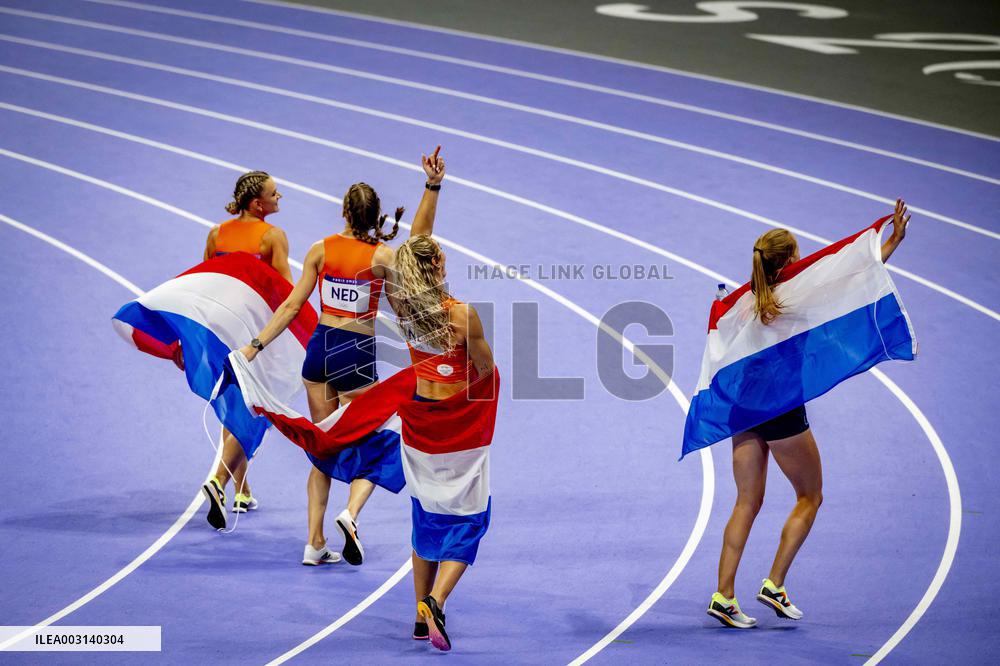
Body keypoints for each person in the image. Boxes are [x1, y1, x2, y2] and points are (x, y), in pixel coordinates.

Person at [708, 199, 910, 629]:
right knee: (810, 495)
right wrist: (890, 242)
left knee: (746, 501)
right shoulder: (797, 295)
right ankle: (775, 584)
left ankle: (723, 595)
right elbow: (852, 279)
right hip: (781, 409)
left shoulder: (743, 302)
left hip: (744, 408)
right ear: (790, 262)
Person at [238, 147, 445, 566]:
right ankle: (350, 513)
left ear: (345, 213)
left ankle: (314, 543)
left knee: (324, 447)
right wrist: (433, 339)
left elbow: (292, 306)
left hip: (319, 351)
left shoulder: (320, 249)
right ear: (376, 216)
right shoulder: (382, 257)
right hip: (355, 354)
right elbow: (405, 304)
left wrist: (253, 346)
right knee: (376, 441)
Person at [390, 234, 497, 651]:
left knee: (426, 516)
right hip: (458, 434)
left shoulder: (402, 308)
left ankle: (420, 618)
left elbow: (409, 250)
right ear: (436, 263)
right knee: (471, 519)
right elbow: (485, 371)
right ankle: (436, 600)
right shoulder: (462, 315)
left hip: (419, 430)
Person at [198, 171, 292, 530]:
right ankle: (218, 481)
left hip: (220, 330)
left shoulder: (216, 234)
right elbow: (285, 292)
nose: (279, 197)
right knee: (254, 410)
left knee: (234, 405)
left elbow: (203, 282)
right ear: (257, 203)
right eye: (274, 193)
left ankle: (242, 489)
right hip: (253, 337)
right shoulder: (272, 236)